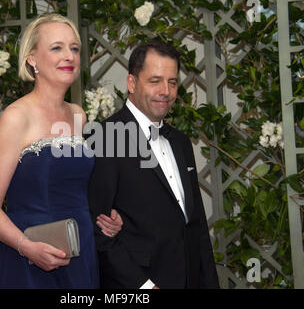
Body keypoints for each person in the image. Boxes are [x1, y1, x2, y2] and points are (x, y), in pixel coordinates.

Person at [0, 13, 122, 289]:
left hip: (79, 250)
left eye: (74, 48)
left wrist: (106, 217)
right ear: (32, 59)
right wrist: (26, 247)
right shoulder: (16, 117)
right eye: (56, 47)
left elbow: (74, 189)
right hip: (26, 258)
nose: (69, 56)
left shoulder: (78, 115)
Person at [88, 40, 219, 289]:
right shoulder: (105, 139)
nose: (166, 91)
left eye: (172, 82)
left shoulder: (180, 142)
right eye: (155, 81)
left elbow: (196, 225)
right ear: (132, 83)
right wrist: (146, 287)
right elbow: (98, 233)